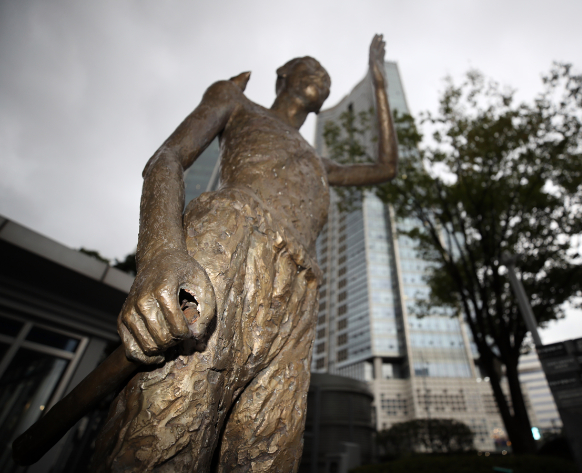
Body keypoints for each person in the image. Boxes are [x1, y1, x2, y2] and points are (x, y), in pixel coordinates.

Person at [91, 35, 398, 472]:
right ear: (282, 77)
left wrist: (379, 83)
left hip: (298, 287)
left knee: (267, 445)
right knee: (168, 424)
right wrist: (161, 254)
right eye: (309, 66)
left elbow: (386, 168)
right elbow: (168, 158)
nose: (321, 75)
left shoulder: (319, 163)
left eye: (325, 76)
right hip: (229, 244)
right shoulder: (237, 103)